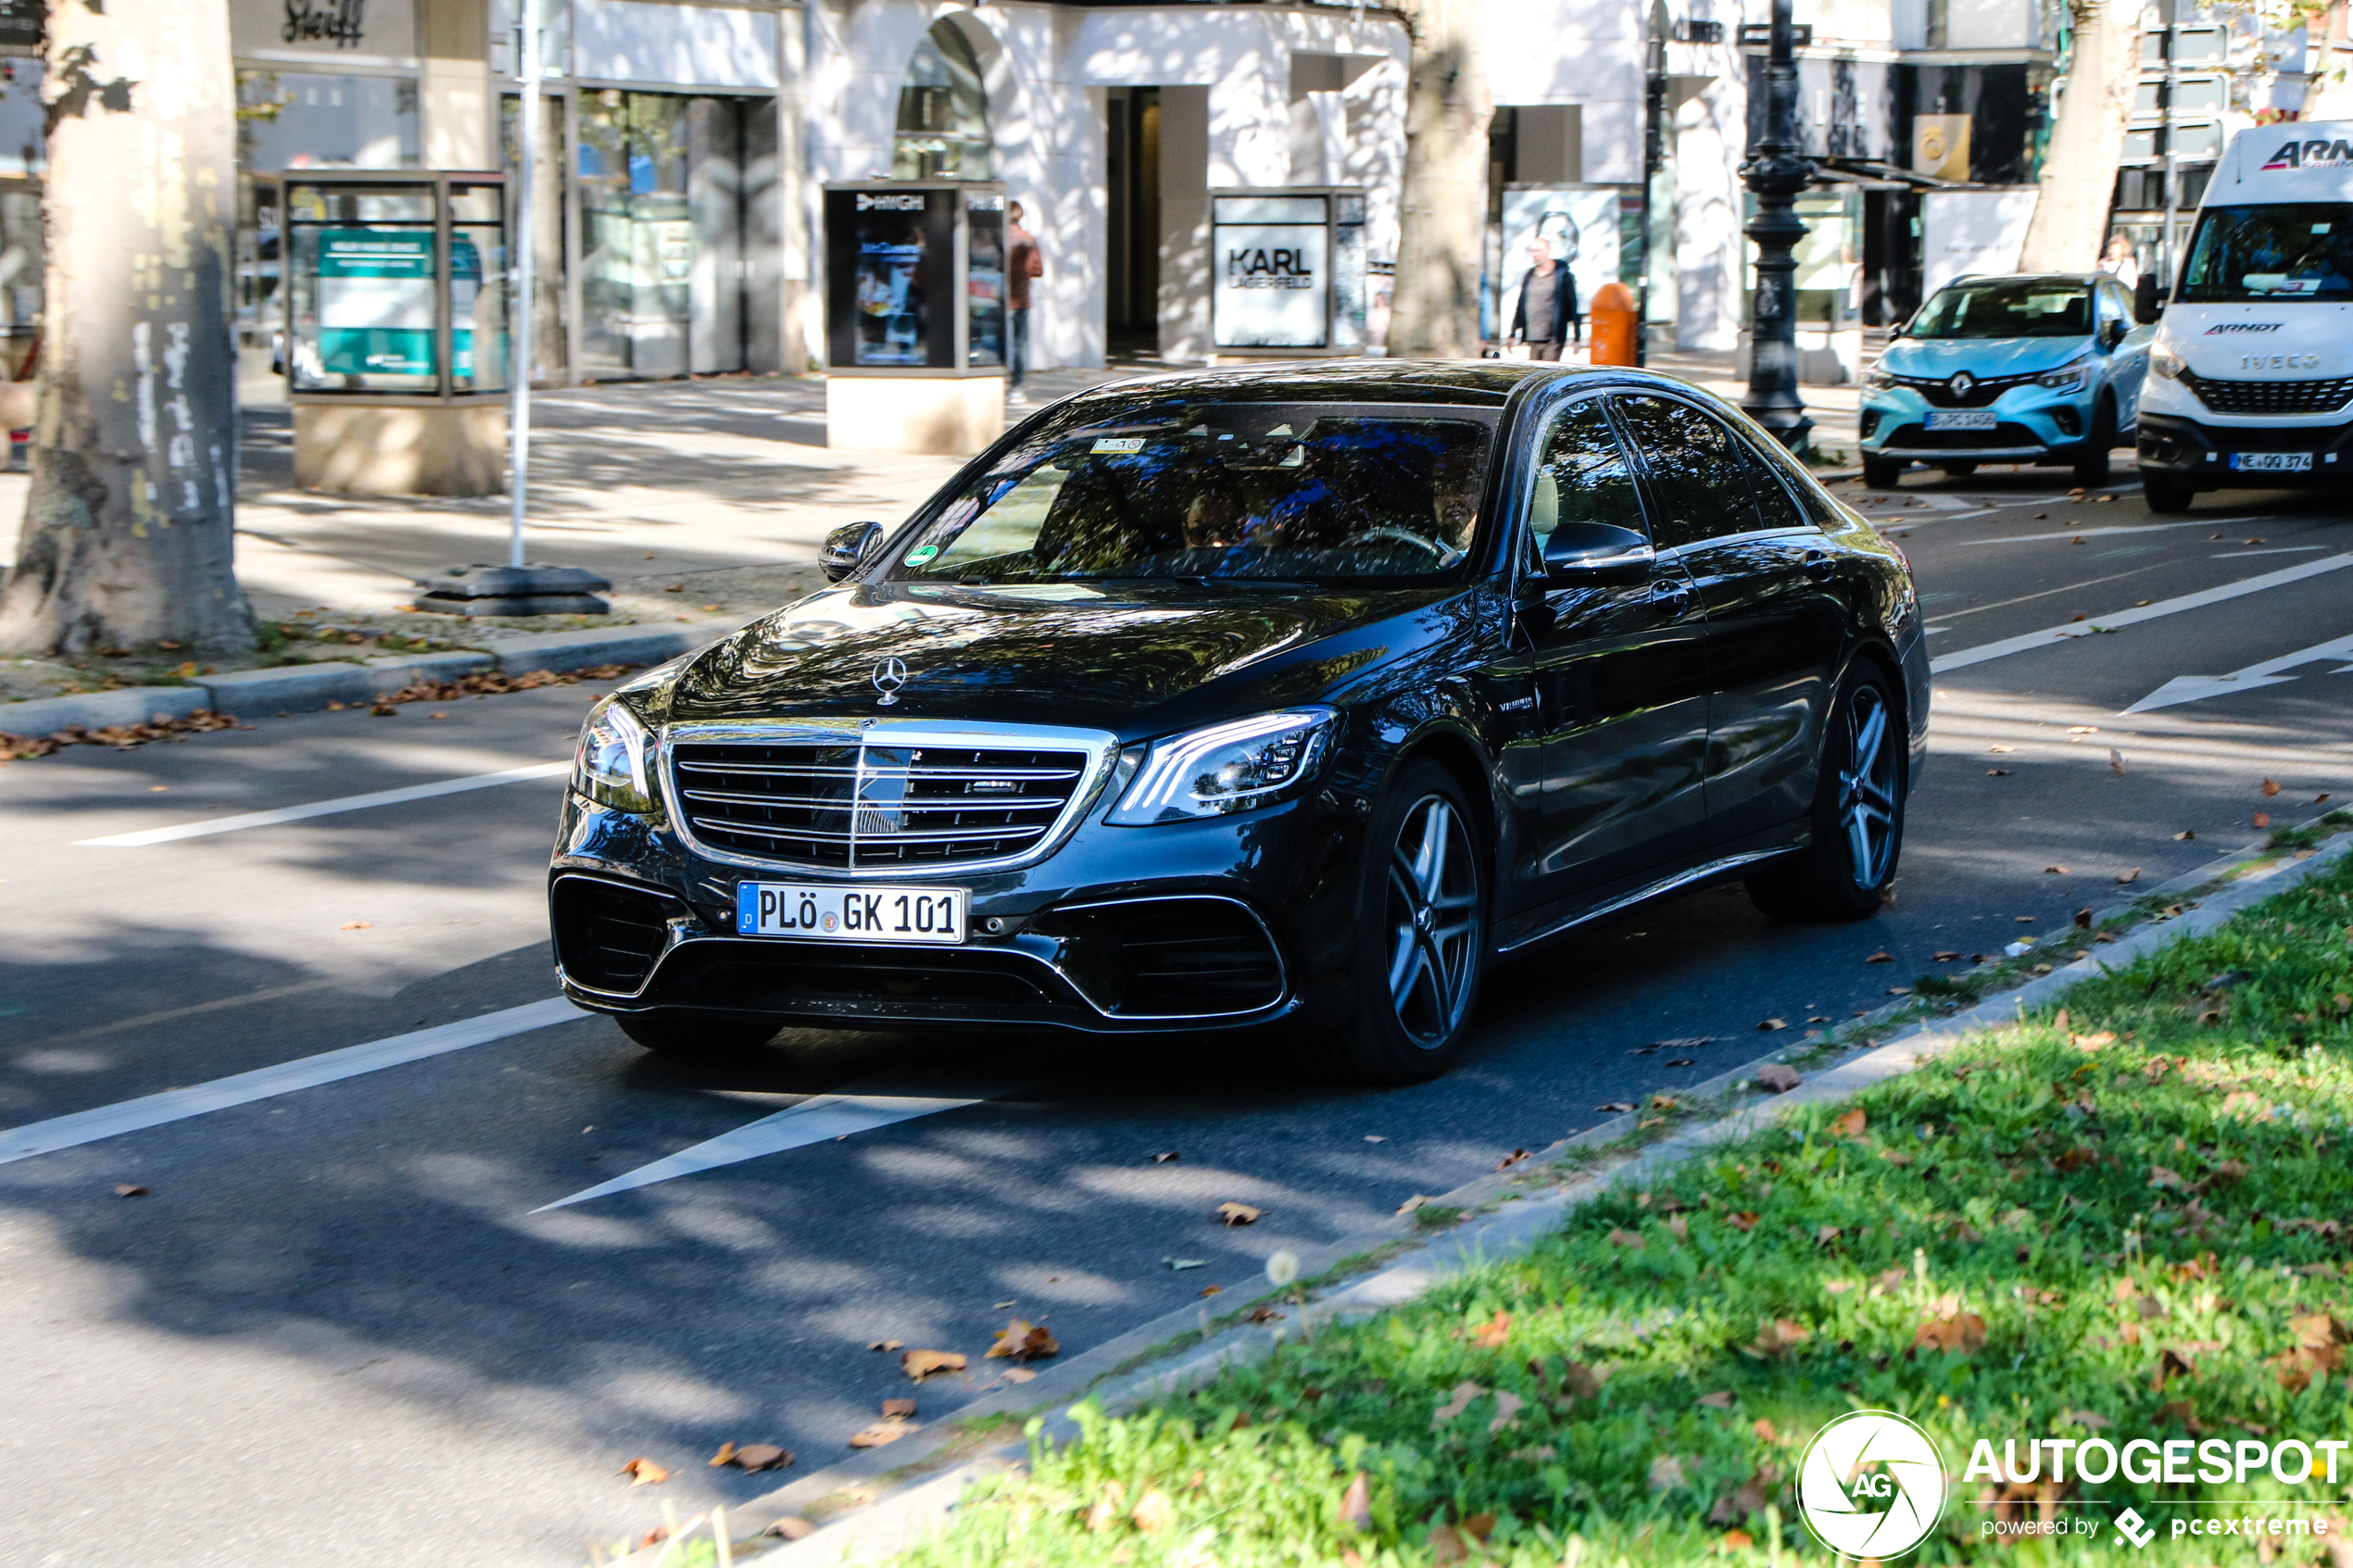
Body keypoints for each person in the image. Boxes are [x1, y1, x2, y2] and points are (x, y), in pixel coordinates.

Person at [1506, 237, 1579, 361]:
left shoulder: (1562, 275)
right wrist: (1513, 333)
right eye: (1532, 251)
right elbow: (1521, 304)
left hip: (1553, 337)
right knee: (1534, 373)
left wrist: (1577, 337)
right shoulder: (1529, 276)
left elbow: (1572, 304)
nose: (1535, 254)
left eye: (1538, 250)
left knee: (1547, 371)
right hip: (1532, 335)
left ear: (1548, 250)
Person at [1006, 200, 1045, 404]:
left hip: (995, 301)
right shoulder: (1028, 240)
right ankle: (1016, 387)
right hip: (1020, 298)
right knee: (1019, 344)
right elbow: (1036, 269)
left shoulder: (995, 238)